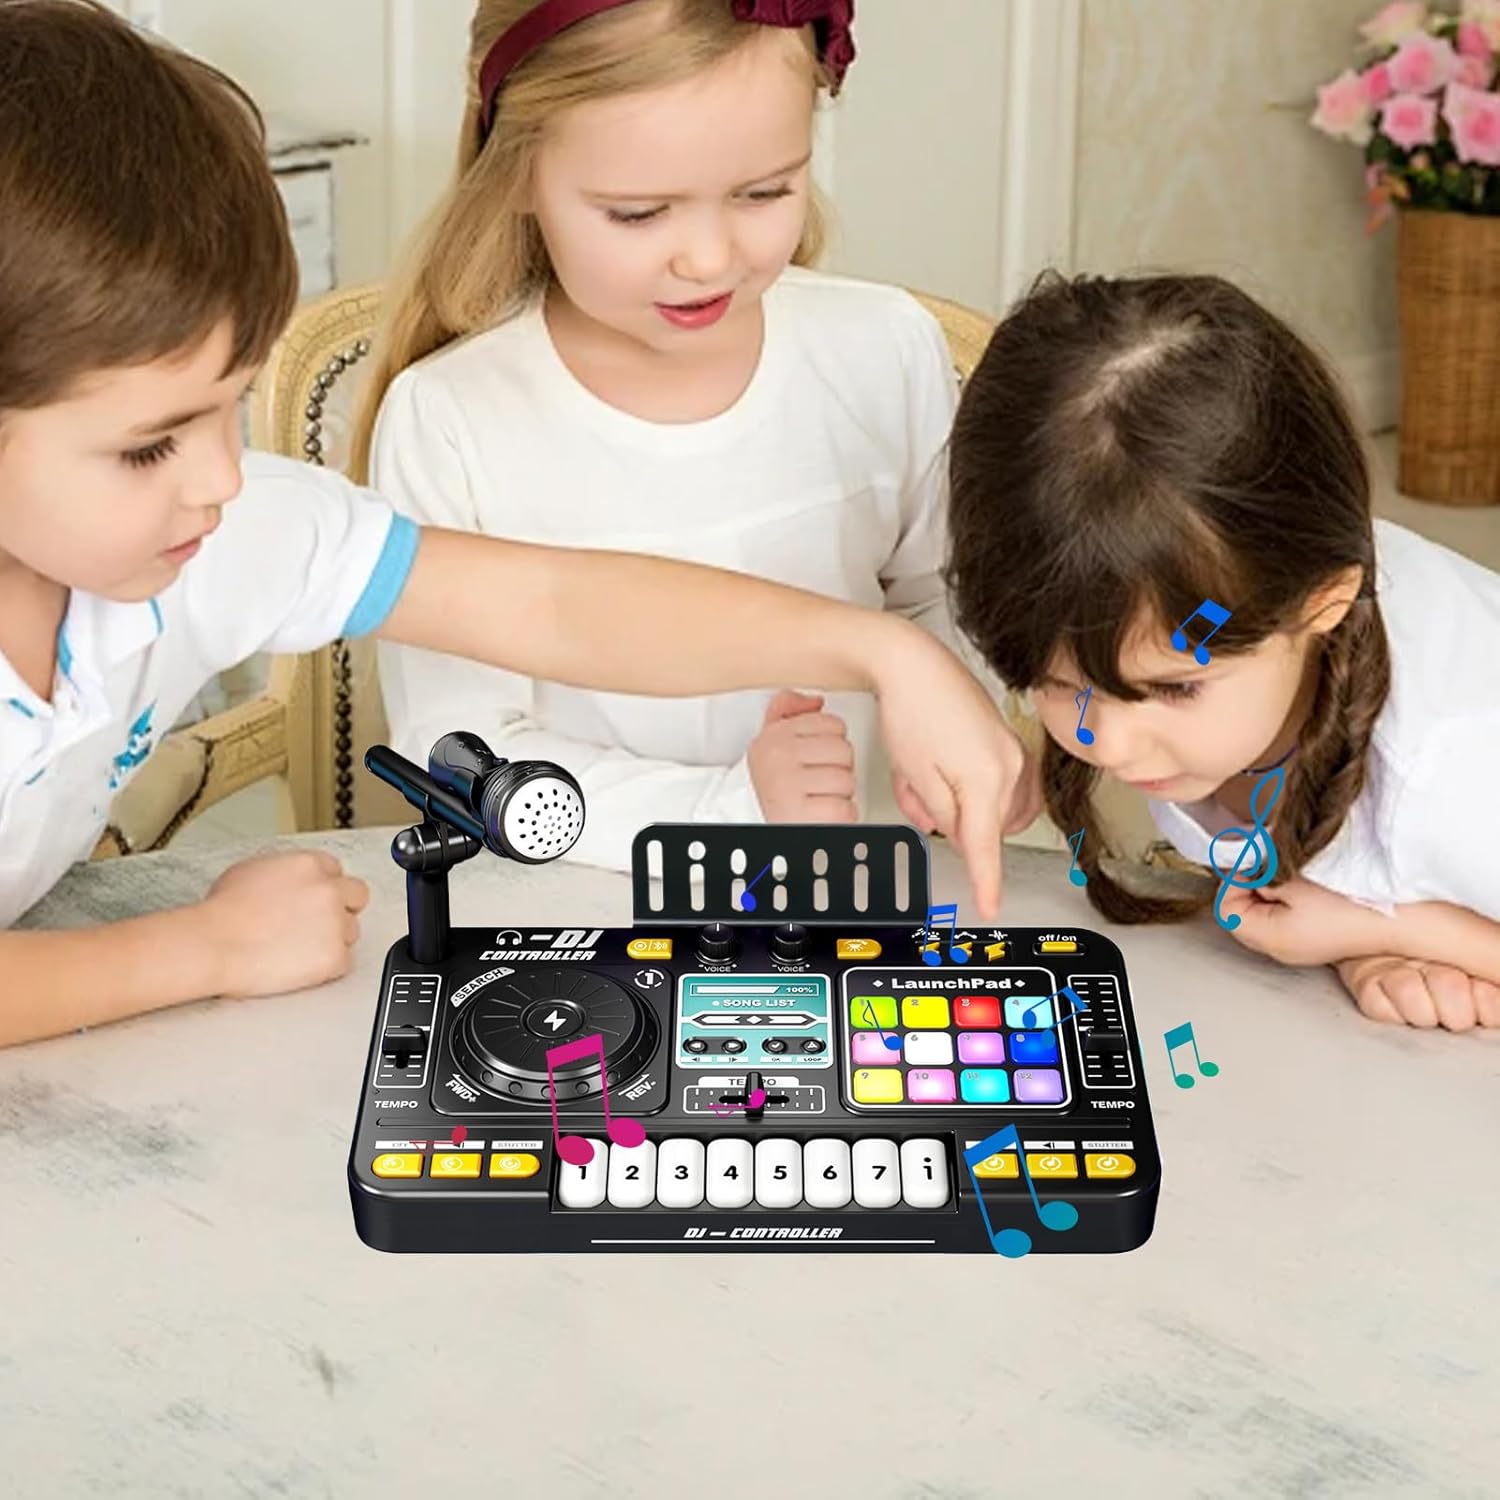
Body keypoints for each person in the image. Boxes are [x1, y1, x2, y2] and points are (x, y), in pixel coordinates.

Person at [0, 0, 1027, 1049]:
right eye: (147, 447)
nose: (223, 476)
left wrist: (890, 654)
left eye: (230, 408)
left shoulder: (237, 531)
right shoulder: (433, 423)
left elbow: (555, 605)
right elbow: (467, 737)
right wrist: (206, 950)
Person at [355, 0, 998, 869]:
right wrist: (729, 811)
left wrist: (965, 738)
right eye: (639, 213)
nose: (708, 259)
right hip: (580, 904)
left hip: (869, 886)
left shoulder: (884, 349)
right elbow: (458, 748)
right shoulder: (451, 417)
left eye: (764, 192)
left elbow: (948, 601)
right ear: (516, 175)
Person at [946, 270, 1500, 1031]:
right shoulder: (1230, 601)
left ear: (1323, 603)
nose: (1108, 743)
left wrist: (1391, 929)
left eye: (1174, 688)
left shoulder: (1455, 771)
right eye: (1055, 681)